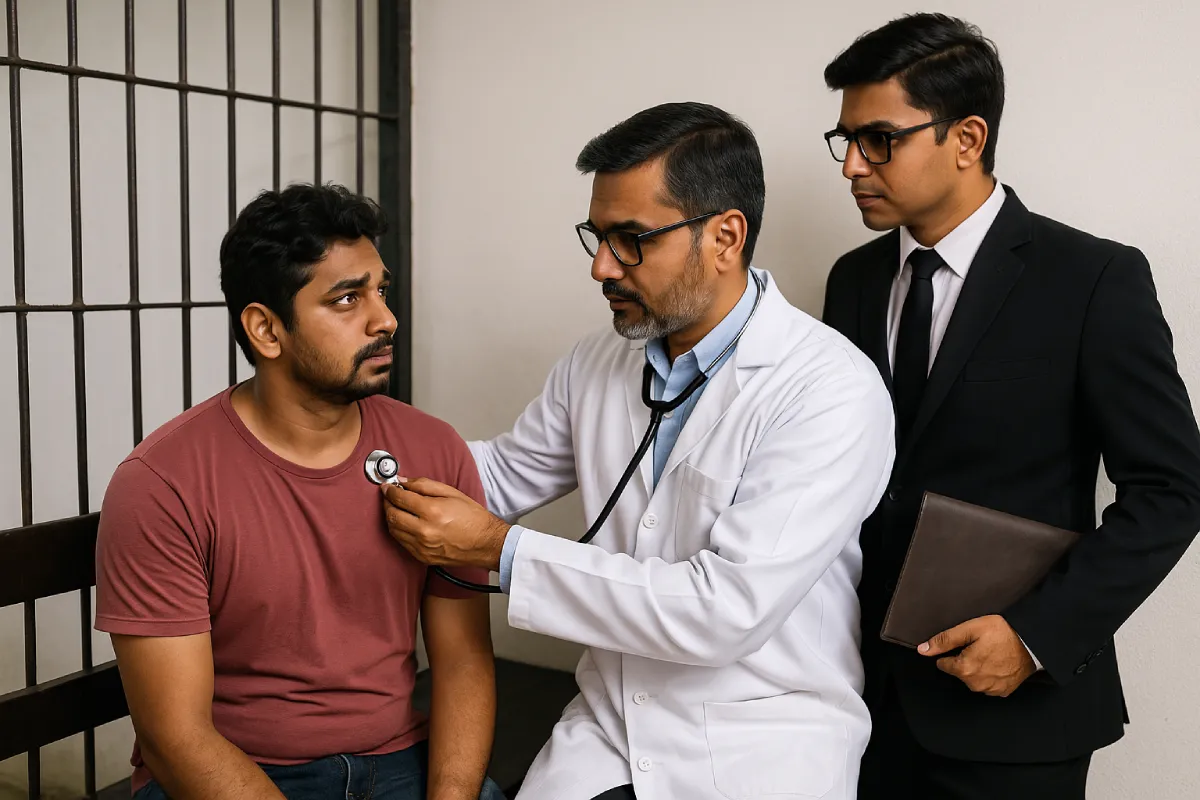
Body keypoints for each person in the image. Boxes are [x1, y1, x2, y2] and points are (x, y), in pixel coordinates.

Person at [375, 102, 896, 800]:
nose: (600, 267)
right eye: (596, 235)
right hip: (610, 727)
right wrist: (355, 460)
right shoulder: (597, 363)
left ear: (725, 236)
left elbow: (725, 611)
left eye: (630, 239)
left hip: (761, 746)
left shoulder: (828, 389)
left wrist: (503, 551)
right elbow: (493, 476)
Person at [819, 13, 1200, 800]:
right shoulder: (852, 280)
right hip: (855, 705)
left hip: (1014, 718)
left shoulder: (1094, 279)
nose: (853, 165)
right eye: (846, 140)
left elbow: (1172, 491)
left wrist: (1034, 638)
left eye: (879, 140)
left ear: (966, 138)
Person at [94, 183, 505, 800]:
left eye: (380, 290)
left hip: (401, 765)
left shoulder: (433, 450)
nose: (385, 319)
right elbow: (175, 736)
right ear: (265, 329)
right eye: (347, 298)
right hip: (232, 774)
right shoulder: (162, 484)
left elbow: (464, 663)